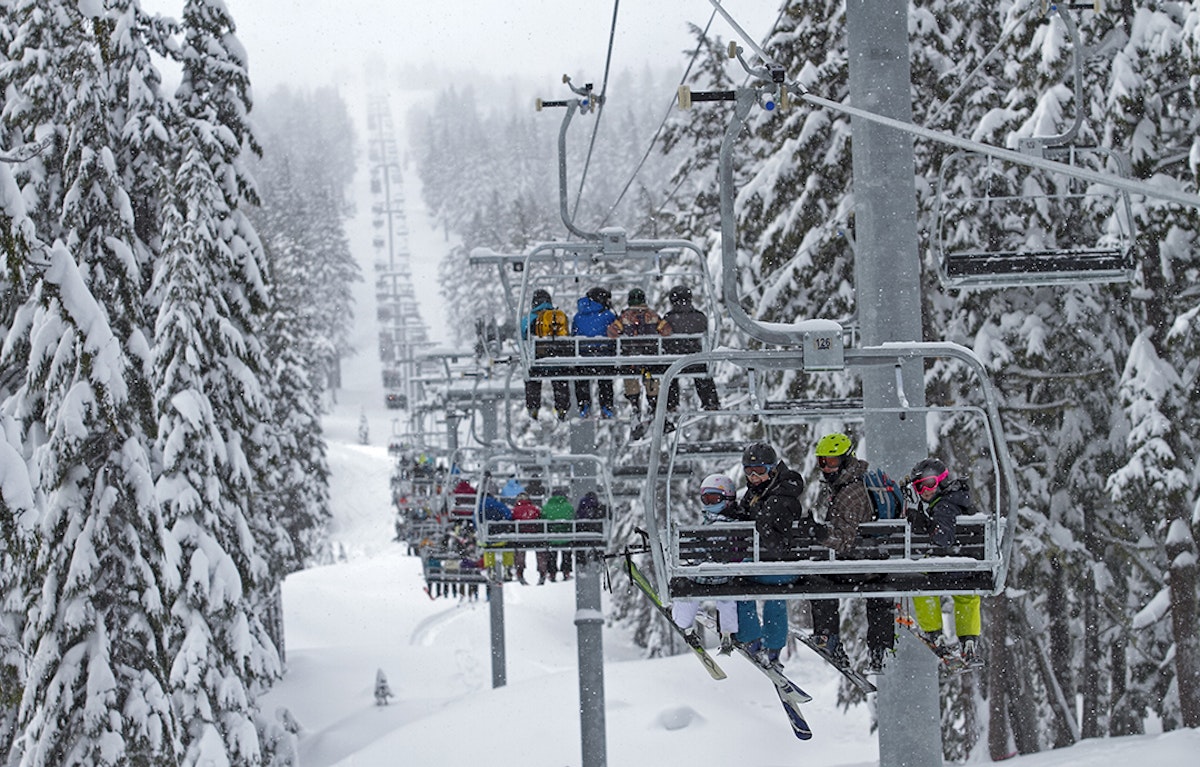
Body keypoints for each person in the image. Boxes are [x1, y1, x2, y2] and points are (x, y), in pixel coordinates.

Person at [809, 432, 895, 673]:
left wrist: (819, 534)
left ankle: (829, 638)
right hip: (872, 564)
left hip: (859, 565)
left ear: (846, 460)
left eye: (832, 461)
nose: (826, 468)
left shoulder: (851, 492)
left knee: (819, 580)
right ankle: (879, 650)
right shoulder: (846, 484)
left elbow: (845, 541)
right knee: (879, 594)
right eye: (822, 462)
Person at [726, 442, 806, 667]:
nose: (753, 477)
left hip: (776, 565)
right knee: (773, 597)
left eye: (759, 471)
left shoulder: (780, 497)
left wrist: (760, 521)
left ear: (772, 469)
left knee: (741, 588)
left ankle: (752, 639)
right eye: (749, 472)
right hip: (776, 566)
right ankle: (771, 646)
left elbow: (773, 534)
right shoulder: (762, 491)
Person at [907, 457, 983, 666]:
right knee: (967, 595)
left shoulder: (944, 506)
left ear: (942, 481)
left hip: (947, 566)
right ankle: (968, 640)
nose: (925, 491)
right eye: (919, 487)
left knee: (920, 585)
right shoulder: (959, 500)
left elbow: (943, 536)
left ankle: (933, 631)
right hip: (969, 567)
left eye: (930, 484)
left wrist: (924, 524)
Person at [670, 474, 740, 654]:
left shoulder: (716, 524)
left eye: (714, 498)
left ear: (728, 498)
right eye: (706, 499)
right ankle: (727, 632)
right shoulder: (735, 521)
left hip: (704, 576)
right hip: (728, 576)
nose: (709, 503)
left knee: (685, 589)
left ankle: (684, 625)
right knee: (727, 597)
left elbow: (704, 551)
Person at [606, 288, 671, 427]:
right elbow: (666, 330)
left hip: (631, 359)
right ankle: (654, 405)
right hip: (651, 358)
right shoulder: (653, 315)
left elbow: (612, 332)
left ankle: (635, 404)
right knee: (651, 381)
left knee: (631, 381)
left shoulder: (625, 317)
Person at [662, 285, 720, 412]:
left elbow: (663, 336)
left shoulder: (668, 318)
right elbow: (704, 329)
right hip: (695, 359)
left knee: (669, 376)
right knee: (703, 375)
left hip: (675, 360)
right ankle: (710, 401)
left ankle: (670, 404)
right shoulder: (699, 316)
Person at [521, 288, 572, 421]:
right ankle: (562, 407)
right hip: (558, 363)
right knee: (560, 378)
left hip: (537, 363)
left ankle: (533, 407)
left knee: (532, 379)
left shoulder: (527, 320)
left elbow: (522, 339)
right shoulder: (559, 316)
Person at [571, 286, 618, 419]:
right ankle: (606, 406)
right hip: (603, 357)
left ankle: (584, 405)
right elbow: (615, 334)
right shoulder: (608, 315)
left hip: (583, 357)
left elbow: (573, 333)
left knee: (581, 380)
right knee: (605, 380)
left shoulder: (578, 316)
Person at [538, 491, 575, 583]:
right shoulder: (568, 507)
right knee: (566, 554)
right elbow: (573, 518)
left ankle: (552, 573)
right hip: (566, 536)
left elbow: (542, 519)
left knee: (551, 555)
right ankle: (566, 571)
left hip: (551, 536)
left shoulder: (546, 507)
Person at [510, 490, 542, 585]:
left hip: (519, 537)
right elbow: (540, 518)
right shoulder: (534, 509)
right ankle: (543, 571)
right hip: (535, 536)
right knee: (541, 550)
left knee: (519, 553)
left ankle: (519, 572)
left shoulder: (514, 510)